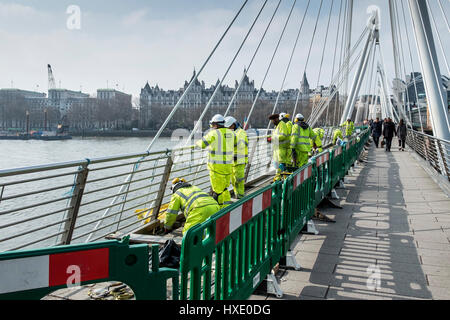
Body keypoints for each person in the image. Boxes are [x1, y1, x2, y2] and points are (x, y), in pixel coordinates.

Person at [196, 114, 235, 208]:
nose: (212, 127)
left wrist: (197, 141)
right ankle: (227, 207)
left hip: (216, 168)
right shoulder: (231, 133)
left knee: (217, 191)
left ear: (215, 125)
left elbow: (201, 144)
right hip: (228, 167)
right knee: (225, 189)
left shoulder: (213, 133)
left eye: (212, 125)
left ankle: (220, 209)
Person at [224, 116, 248, 199]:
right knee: (234, 181)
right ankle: (237, 195)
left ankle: (240, 197)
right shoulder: (232, 133)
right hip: (233, 161)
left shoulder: (241, 132)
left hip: (239, 160)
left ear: (233, 125)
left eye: (229, 127)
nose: (228, 129)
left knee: (239, 181)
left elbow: (241, 145)